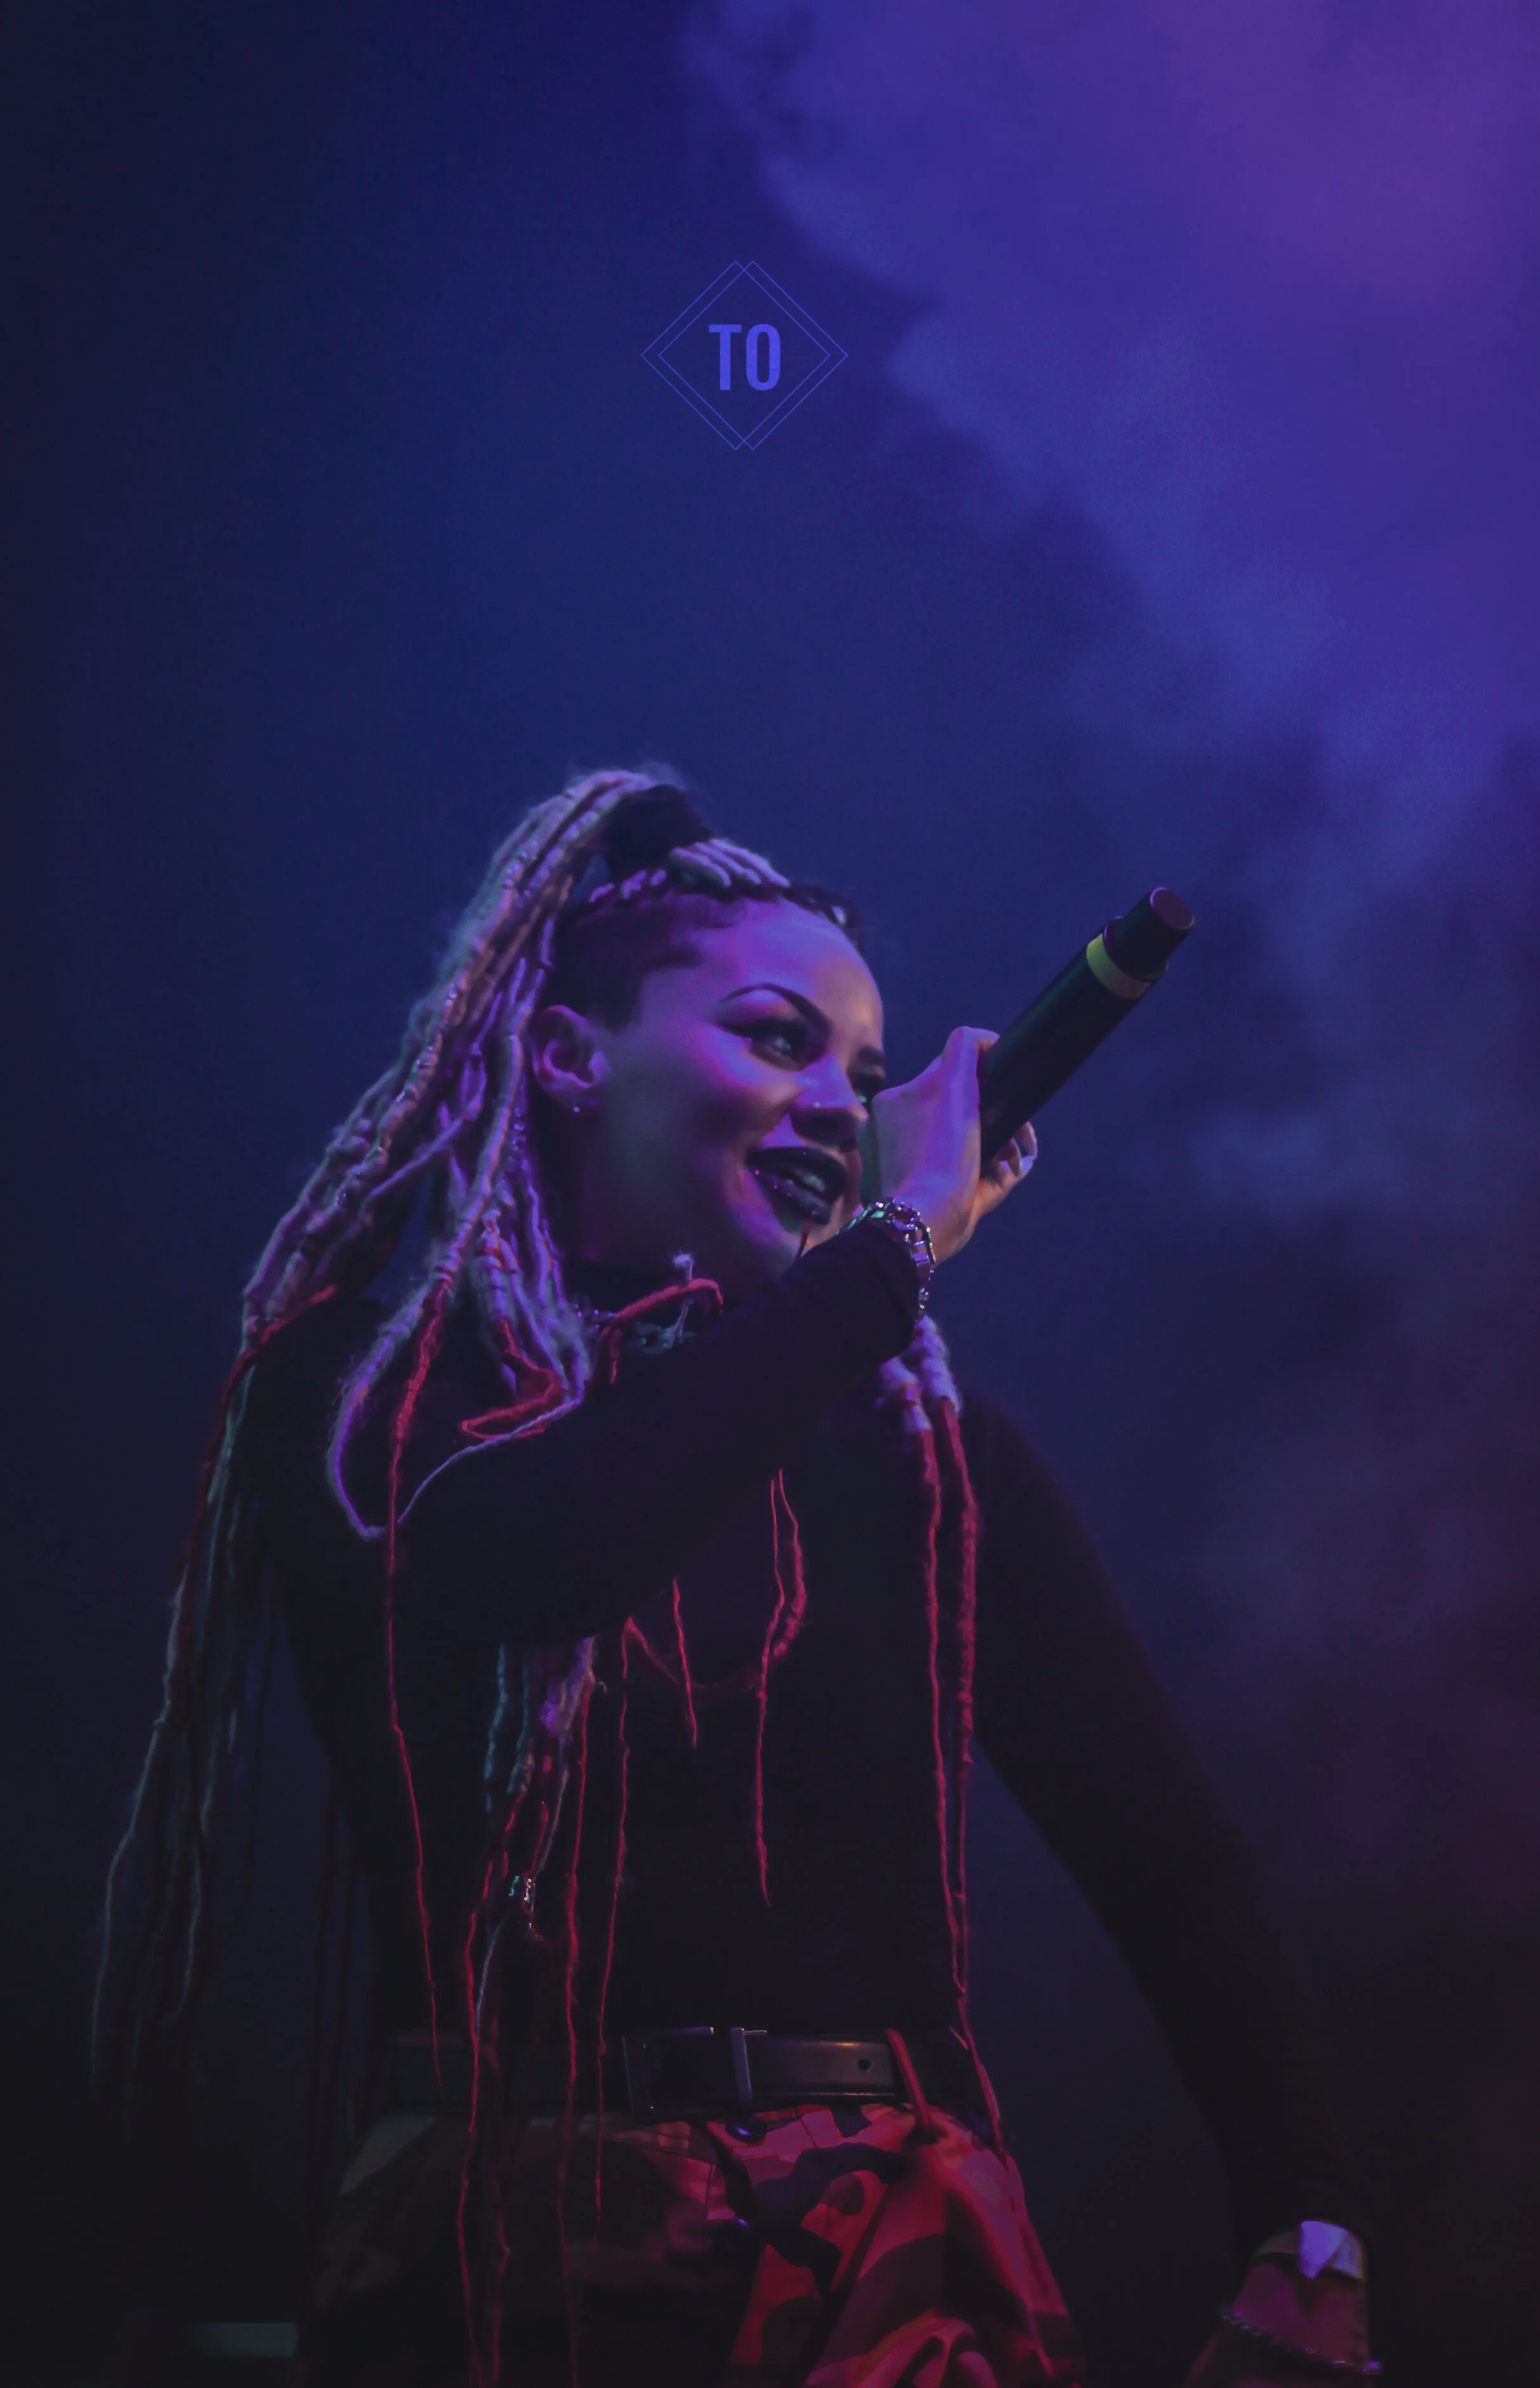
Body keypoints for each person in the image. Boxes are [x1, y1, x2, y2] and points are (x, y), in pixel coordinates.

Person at [99, 770, 1376, 2387]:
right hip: (505, 2256)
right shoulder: (371, 1383)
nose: (845, 1108)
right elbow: (552, 1546)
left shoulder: (916, 1448)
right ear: (567, 1058)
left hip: (877, 2253)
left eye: (863, 1072)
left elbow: (1170, 1858)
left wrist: (1307, 2226)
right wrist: (894, 1248)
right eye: (777, 1038)